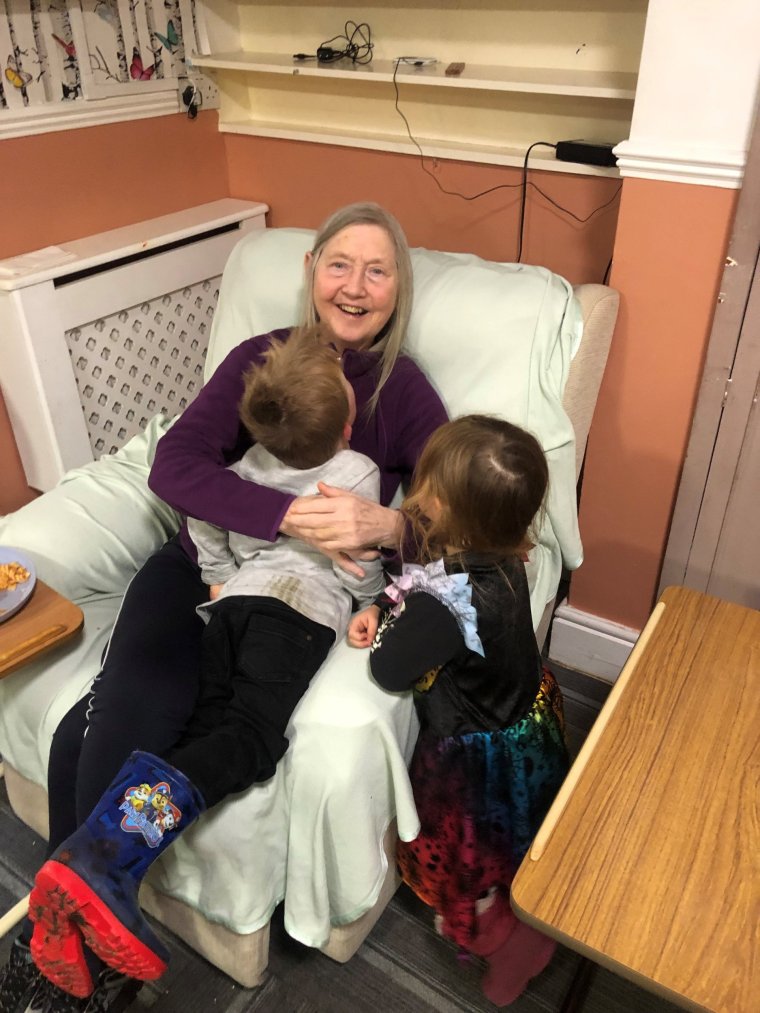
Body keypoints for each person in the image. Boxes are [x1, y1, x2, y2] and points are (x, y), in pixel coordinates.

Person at [0, 202, 447, 1013]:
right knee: (124, 706)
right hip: (198, 571)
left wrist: (387, 523)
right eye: (339, 263)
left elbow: (450, 514)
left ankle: (71, 954)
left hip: (282, 593)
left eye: (376, 269)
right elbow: (174, 464)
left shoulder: (402, 390)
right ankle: (70, 937)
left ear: (397, 289)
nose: (355, 284)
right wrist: (279, 514)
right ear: (312, 272)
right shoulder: (258, 357)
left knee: (94, 728)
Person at [25, 325, 386, 999]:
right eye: (340, 263)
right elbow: (362, 560)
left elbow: (206, 519)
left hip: (227, 610)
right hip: (294, 618)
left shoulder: (246, 463)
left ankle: (84, 872)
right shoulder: (358, 472)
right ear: (344, 429)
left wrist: (221, 579)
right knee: (248, 736)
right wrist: (372, 602)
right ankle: (99, 860)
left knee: (197, 724)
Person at [348, 415, 570, 1007]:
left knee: (466, 863)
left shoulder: (444, 605)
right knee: (510, 849)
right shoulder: (506, 553)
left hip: (476, 763)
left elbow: (388, 669)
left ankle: (507, 942)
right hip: (527, 721)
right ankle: (516, 914)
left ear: (440, 508)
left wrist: (382, 622)